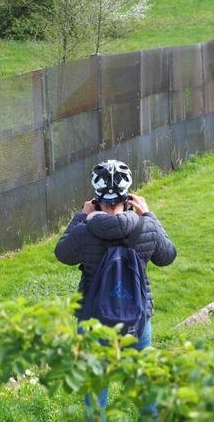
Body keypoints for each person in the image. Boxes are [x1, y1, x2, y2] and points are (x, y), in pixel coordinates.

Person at [54, 160, 177, 421]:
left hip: (93, 322)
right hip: (137, 320)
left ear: (96, 198)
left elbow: (63, 254)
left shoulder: (85, 231)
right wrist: (149, 215)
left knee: (96, 391)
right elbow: (167, 257)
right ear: (129, 196)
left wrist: (81, 216)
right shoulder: (146, 226)